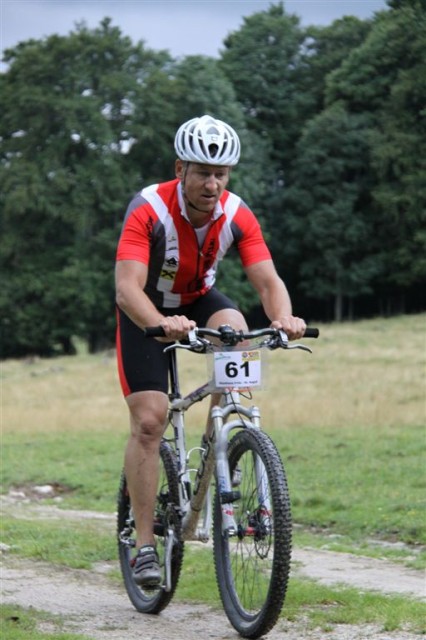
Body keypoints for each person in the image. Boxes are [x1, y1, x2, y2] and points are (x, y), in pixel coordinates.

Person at [115, 114, 306, 587]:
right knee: (150, 421)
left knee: (237, 332)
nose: (212, 184)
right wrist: (160, 324)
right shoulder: (148, 208)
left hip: (198, 298)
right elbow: (127, 288)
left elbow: (268, 281)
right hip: (146, 309)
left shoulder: (237, 213)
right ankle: (144, 545)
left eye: (221, 174)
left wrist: (284, 317)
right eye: (203, 172)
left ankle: (220, 448)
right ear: (180, 169)